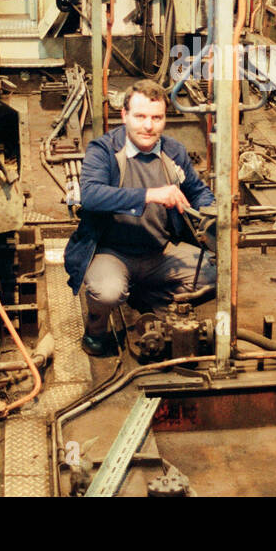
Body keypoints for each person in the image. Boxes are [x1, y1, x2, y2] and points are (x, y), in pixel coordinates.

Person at [63, 79, 215, 357]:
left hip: (160, 250)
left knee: (213, 274)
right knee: (108, 292)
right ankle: (95, 331)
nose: (149, 126)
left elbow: (197, 191)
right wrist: (150, 195)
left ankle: (142, 296)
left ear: (165, 119)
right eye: (141, 117)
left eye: (157, 118)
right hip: (111, 252)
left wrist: (212, 214)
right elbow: (92, 195)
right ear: (124, 116)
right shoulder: (104, 151)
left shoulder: (174, 151)